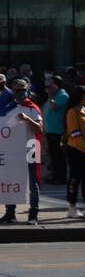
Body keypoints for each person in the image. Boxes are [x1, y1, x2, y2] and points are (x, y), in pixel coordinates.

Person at [0, 84, 43, 225]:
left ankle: (33, 215)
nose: (20, 93)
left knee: (32, 184)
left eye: (22, 90)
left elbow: (39, 129)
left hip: (31, 147)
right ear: (13, 92)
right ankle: (10, 213)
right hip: (13, 149)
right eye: (17, 91)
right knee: (11, 181)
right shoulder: (9, 108)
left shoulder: (32, 108)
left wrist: (27, 119)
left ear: (27, 91)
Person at [63, 87, 85, 220]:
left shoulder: (83, 110)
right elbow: (75, 133)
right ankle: (72, 207)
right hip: (75, 150)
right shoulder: (72, 112)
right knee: (75, 178)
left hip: (83, 149)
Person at [44, 75, 68, 183]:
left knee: (59, 156)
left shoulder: (62, 95)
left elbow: (54, 107)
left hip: (58, 131)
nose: (49, 86)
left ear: (57, 85)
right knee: (53, 155)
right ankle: (54, 175)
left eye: (51, 84)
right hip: (50, 130)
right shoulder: (54, 95)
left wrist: (49, 95)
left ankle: (61, 178)